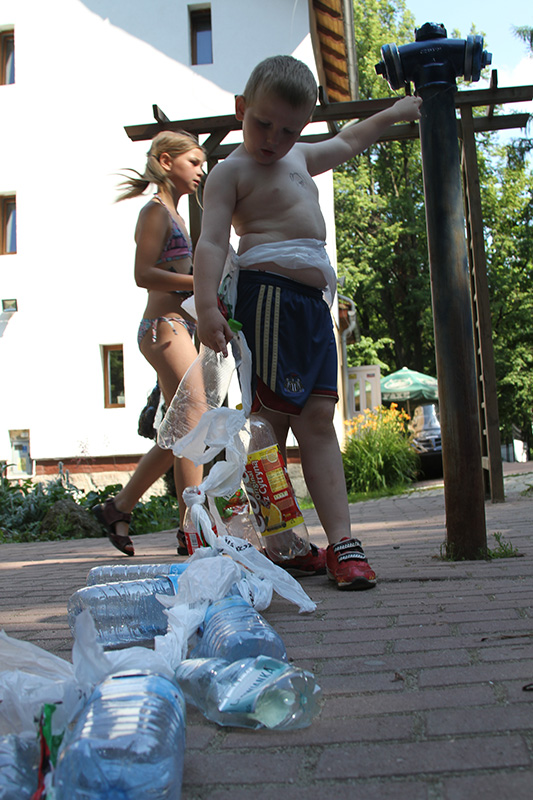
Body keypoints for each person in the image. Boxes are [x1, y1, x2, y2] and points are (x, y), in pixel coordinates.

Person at [193, 55, 422, 589]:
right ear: (241, 108)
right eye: (262, 123)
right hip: (267, 300)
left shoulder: (297, 157)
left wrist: (395, 112)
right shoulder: (230, 172)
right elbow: (211, 242)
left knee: (319, 419)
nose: (273, 139)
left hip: (312, 306)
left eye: (288, 130)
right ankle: (283, 543)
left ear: (303, 127)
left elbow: (349, 140)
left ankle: (343, 543)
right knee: (268, 424)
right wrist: (205, 307)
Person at [94, 131, 205, 557]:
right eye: (193, 162)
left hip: (177, 326)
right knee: (196, 415)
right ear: (167, 161)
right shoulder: (155, 211)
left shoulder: (175, 213)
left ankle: (118, 508)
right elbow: (143, 274)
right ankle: (191, 528)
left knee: (180, 429)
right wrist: (199, 281)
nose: (200, 171)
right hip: (163, 327)